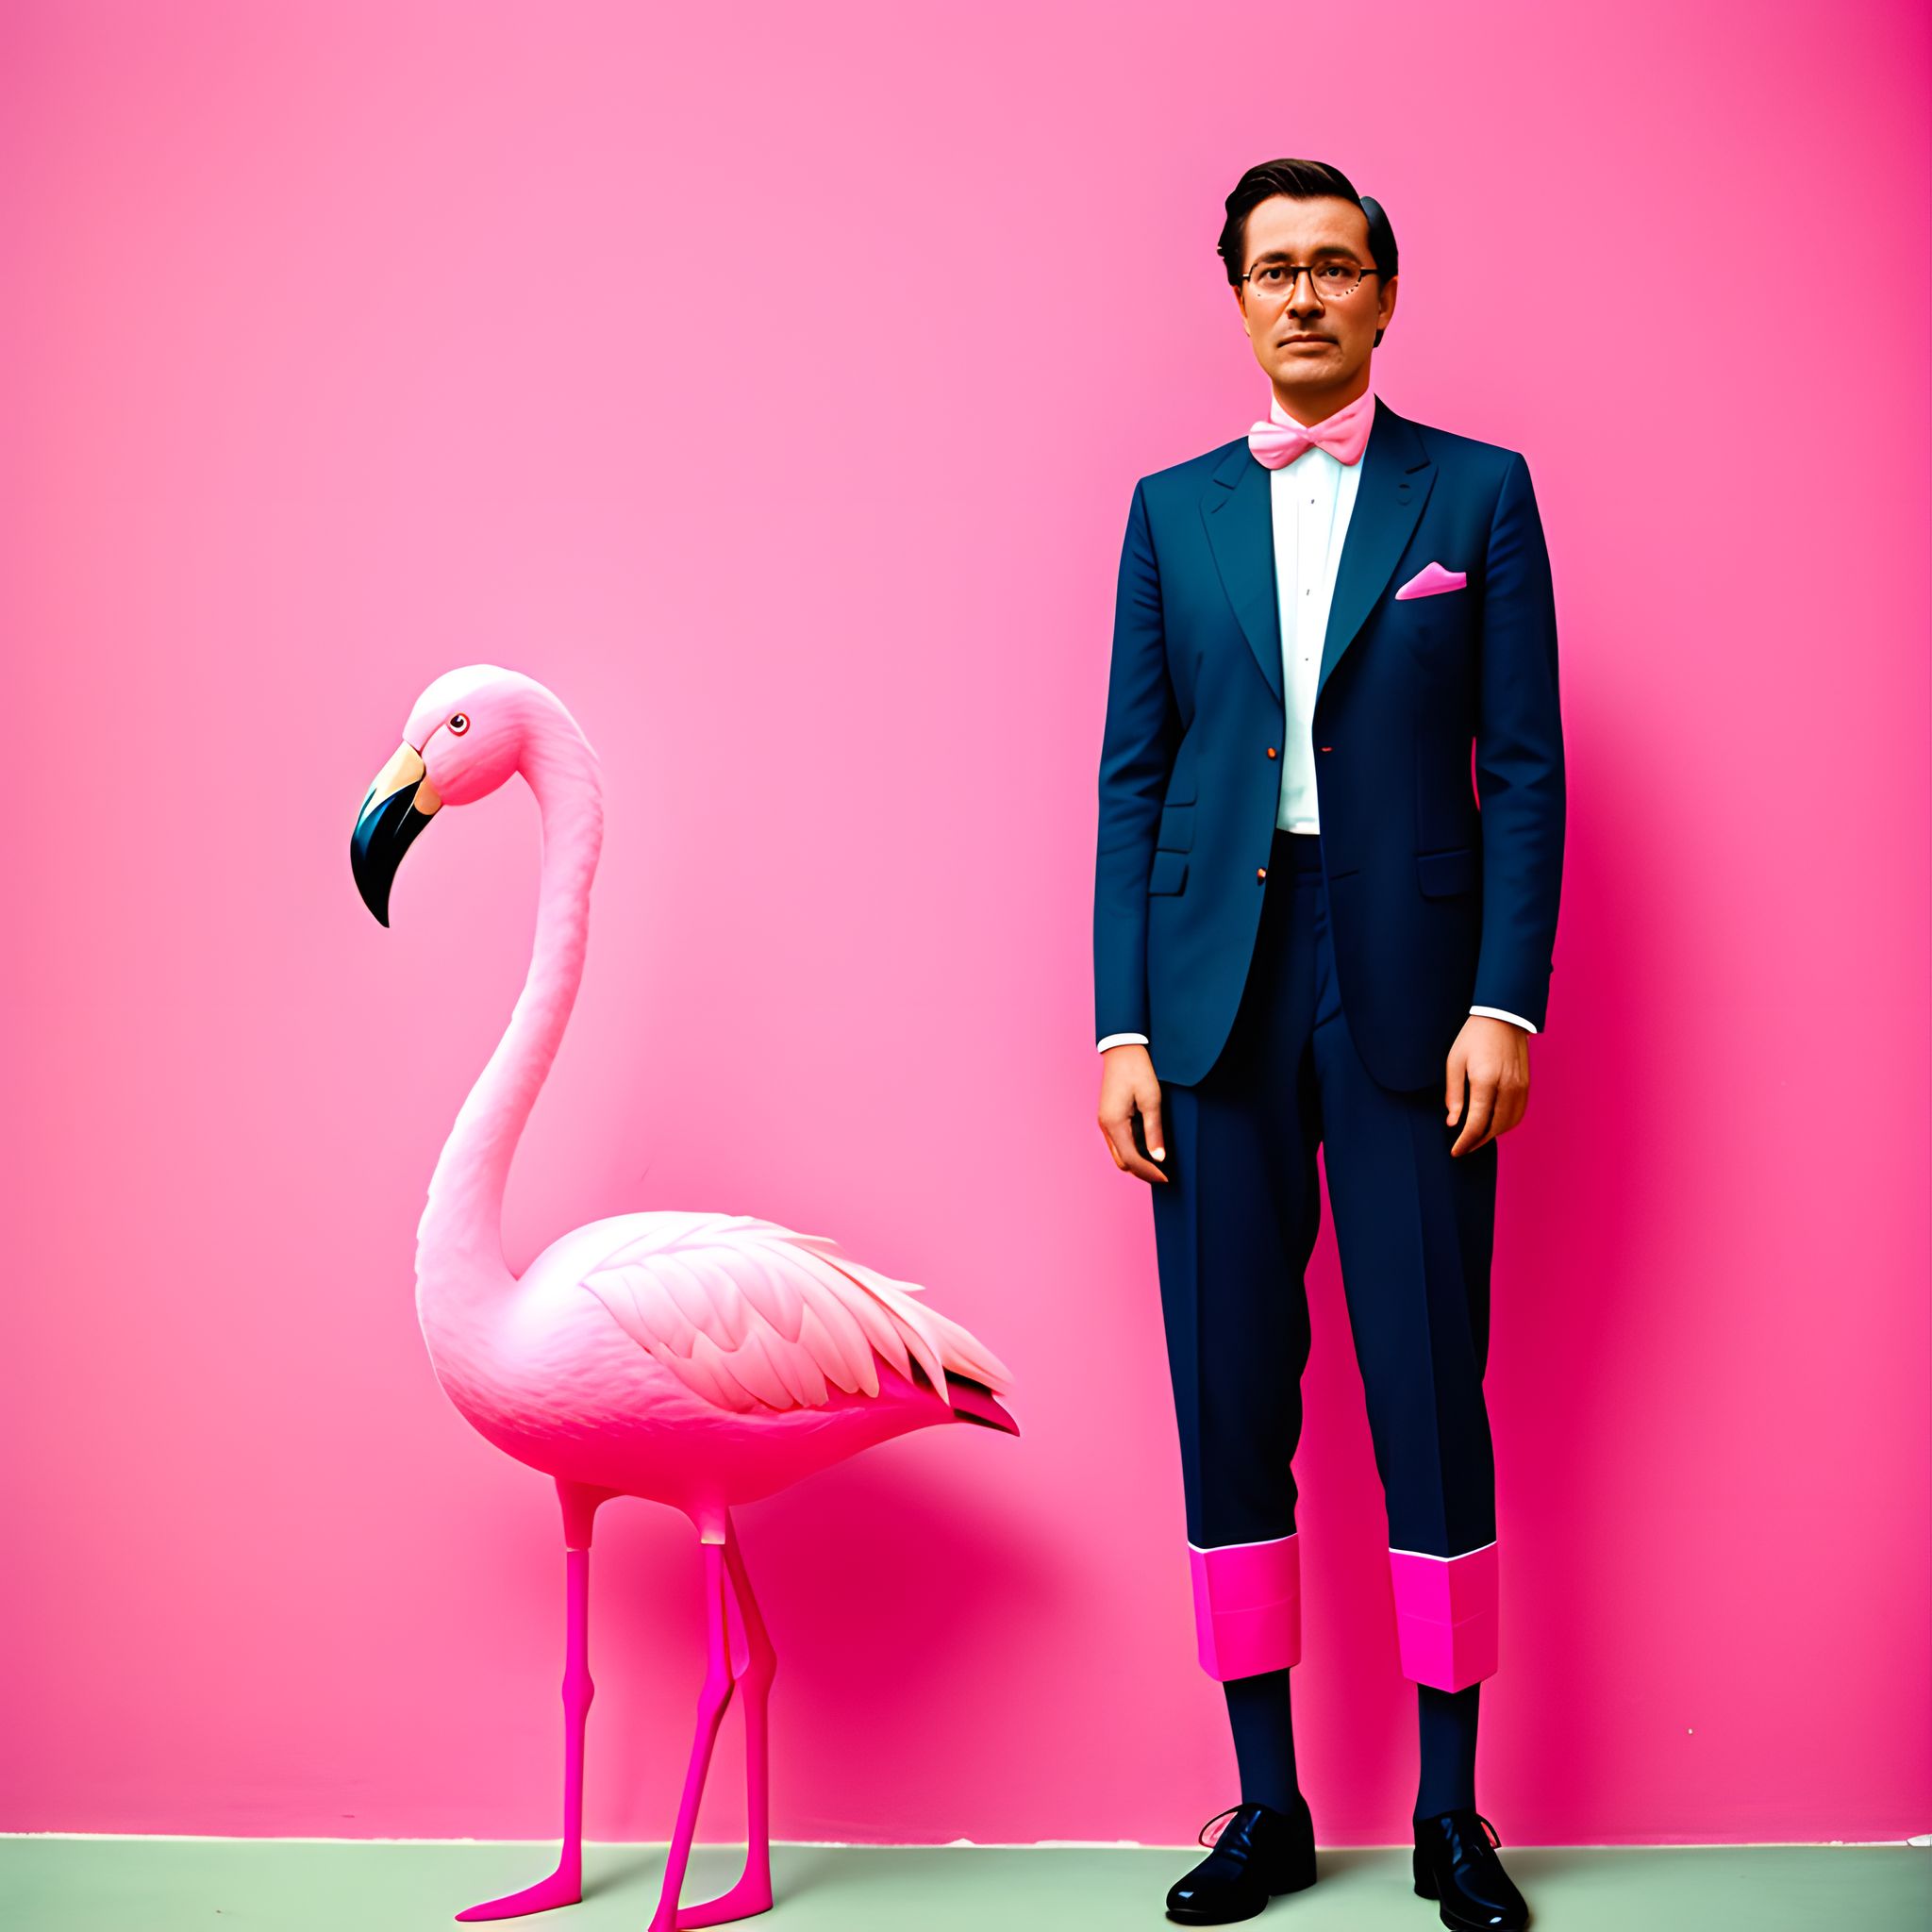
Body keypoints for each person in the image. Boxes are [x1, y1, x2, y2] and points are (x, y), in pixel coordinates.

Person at [1091, 158, 1564, 1929]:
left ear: (1382, 296)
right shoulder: (1168, 512)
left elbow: (1523, 770)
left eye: (1336, 269)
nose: (1304, 295)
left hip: (1417, 997)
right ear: (1237, 299)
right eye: (1273, 270)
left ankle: (1453, 1813)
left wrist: (1506, 1002)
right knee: (1229, 1393)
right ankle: (1266, 1801)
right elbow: (1132, 784)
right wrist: (1120, 1021)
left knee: (1431, 1386)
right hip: (1211, 995)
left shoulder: (1481, 496)